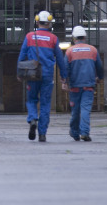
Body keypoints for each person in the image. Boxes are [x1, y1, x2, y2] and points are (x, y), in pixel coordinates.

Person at [17, 10, 68, 142]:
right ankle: (42, 134)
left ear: (37, 21)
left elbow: (22, 56)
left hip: (32, 73)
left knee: (31, 100)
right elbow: (60, 59)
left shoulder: (29, 37)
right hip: (47, 75)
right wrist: (63, 75)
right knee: (45, 104)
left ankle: (33, 118)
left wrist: (19, 73)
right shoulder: (53, 39)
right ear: (50, 23)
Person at [65, 25, 104, 142]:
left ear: (74, 38)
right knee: (85, 109)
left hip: (74, 87)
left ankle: (74, 132)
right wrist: (99, 77)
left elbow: (65, 68)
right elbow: (100, 66)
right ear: (85, 37)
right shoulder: (93, 50)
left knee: (75, 111)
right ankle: (85, 133)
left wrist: (64, 81)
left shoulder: (69, 51)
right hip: (88, 86)